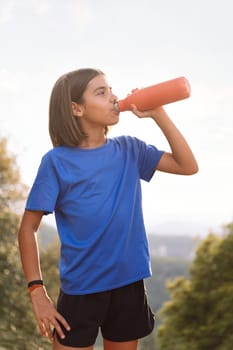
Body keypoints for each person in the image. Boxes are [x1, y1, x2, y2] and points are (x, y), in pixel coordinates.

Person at [18, 67, 198, 350]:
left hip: (129, 284)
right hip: (81, 290)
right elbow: (28, 229)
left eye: (111, 90)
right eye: (101, 92)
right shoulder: (56, 162)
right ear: (77, 108)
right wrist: (37, 291)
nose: (113, 97)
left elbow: (188, 166)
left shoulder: (129, 149)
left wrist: (158, 113)